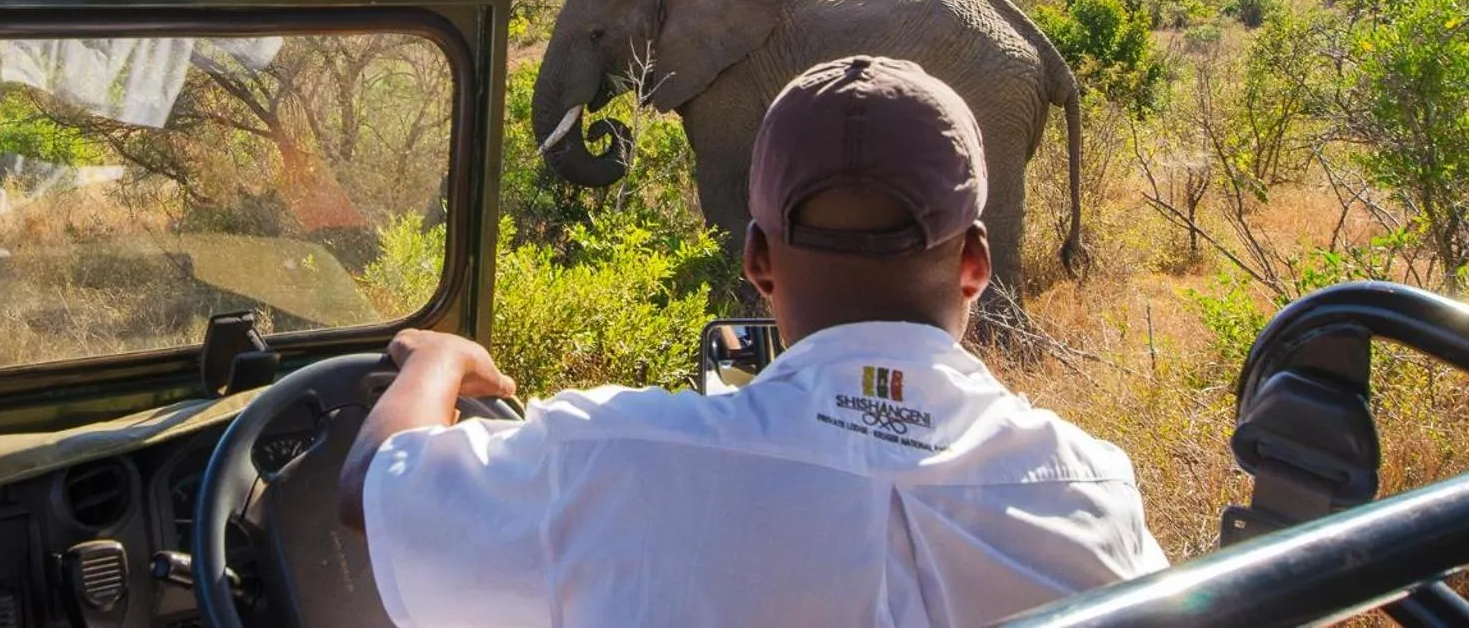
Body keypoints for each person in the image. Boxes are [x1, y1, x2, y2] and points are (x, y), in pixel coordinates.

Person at [338, 54, 1169, 627]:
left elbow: (373, 488)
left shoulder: (613, 458)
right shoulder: (1092, 487)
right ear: (977, 263)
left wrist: (437, 357)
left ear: (758, 260)